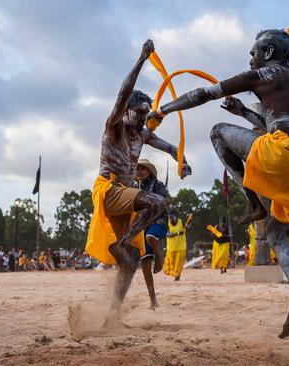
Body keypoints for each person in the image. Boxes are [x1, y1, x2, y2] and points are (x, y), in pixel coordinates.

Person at [147, 29, 289, 338]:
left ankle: (254, 203)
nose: (250, 58)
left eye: (253, 51)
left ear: (268, 52)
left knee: (218, 131)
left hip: (285, 152)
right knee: (276, 232)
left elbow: (205, 93)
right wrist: (244, 111)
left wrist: (161, 110)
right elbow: (287, 123)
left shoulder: (265, 72)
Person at [85, 39, 191, 326]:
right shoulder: (114, 126)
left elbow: (169, 147)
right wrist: (143, 59)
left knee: (130, 262)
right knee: (157, 202)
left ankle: (112, 317)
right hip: (109, 189)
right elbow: (123, 93)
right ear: (127, 110)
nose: (144, 119)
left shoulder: (142, 134)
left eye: (147, 114)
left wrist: (181, 160)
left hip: (125, 195)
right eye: (140, 113)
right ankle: (120, 243)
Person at [135, 159, 169, 309]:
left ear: (149, 171)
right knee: (145, 264)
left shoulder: (158, 184)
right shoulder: (135, 188)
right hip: (143, 225)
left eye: (143, 169)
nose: (140, 171)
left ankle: (160, 256)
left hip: (159, 221)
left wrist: (156, 201)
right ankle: (153, 300)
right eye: (138, 169)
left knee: (151, 238)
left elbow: (167, 199)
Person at [164, 210, 188, 281]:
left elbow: (187, 228)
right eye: (169, 217)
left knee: (179, 263)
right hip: (171, 247)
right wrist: (177, 233)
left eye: (172, 217)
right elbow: (167, 234)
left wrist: (188, 226)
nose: (171, 219)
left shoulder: (181, 222)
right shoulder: (167, 224)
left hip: (181, 246)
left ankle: (177, 276)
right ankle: (174, 274)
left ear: (175, 216)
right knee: (169, 264)